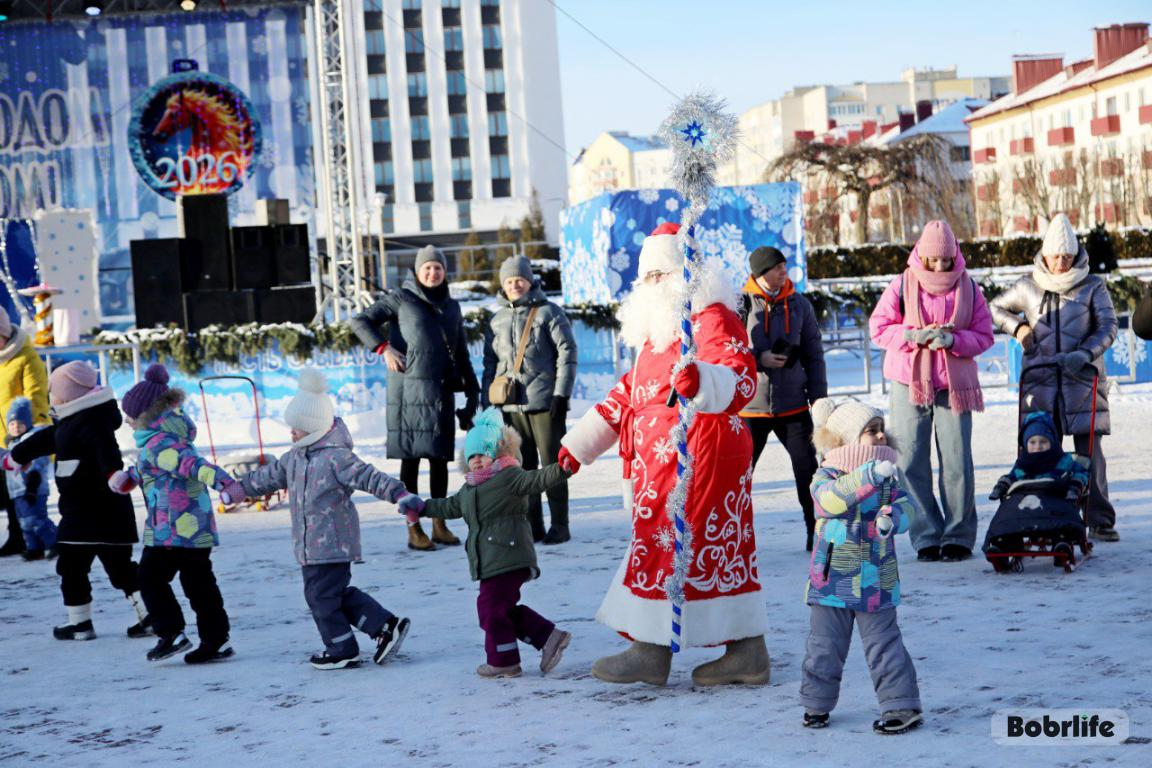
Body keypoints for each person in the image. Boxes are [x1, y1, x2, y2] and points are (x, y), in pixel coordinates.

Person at [559, 222, 770, 687]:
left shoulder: (709, 316)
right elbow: (633, 392)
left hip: (701, 452)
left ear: (686, 273)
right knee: (673, 550)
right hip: (660, 460)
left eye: (663, 274)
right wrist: (581, 443)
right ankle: (731, 651)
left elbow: (741, 374)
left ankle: (662, 651)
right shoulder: (659, 332)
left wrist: (703, 380)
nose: (653, 285)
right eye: (647, 276)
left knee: (680, 548)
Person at [229, 369, 419, 670]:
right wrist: (239, 489)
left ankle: (341, 648)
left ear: (316, 427)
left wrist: (400, 494)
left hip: (332, 541)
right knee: (333, 595)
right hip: (310, 546)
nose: (292, 433)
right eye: (292, 427)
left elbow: (368, 476)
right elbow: (267, 477)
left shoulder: (336, 457)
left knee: (320, 596)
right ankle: (384, 625)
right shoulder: (294, 458)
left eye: (299, 428)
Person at [404, 408, 574, 678]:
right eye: (472, 456)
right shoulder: (469, 489)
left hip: (509, 554)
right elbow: (448, 506)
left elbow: (536, 479)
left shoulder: (509, 477)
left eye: (483, 454)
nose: (477, 461)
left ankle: (504, 660)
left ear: (497, 454)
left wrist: (562, 469)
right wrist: (423, 507)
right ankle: (548, 638)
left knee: (490, 610)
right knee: (500, 610)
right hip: (490, 560)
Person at [869, 220, 993, 563]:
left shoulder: (968, 287)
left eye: (946, 260)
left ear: (955, 256)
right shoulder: (901, 284)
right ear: (921, 256)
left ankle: (958, 535)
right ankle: (926, 535)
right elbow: (878, 329)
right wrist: (911, 336)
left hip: (955, 386)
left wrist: (953, 340)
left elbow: (984, 335)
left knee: (956, 460)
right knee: (910, 461)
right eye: (933, 260)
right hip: (909, 382)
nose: (940, 267)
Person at [990, 213, 1119, 541]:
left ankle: (1099, 518)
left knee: (1089, 455)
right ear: (1044, 255)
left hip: (1082, 383)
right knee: (1041, 453)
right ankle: (1044, 514)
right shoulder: (1027, 286)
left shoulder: (1092, 286)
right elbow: (995, 309)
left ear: (1076, 255)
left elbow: (1109, 326)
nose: (1062, 262)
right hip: (1041, 384)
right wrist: (1018, 327)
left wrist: (1085, 353)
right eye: (1056, 255)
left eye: (1067, 256)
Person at [109, 364, 246, 664]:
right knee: (198, 584)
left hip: (175, 530)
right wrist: (130, 476)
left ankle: (172, 633)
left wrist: (227, 484)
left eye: (130, 417)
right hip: (186, 527)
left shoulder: (159, 444)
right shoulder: (162, 442)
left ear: (146, 417)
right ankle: (216, 640)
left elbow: (193, 466)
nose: (128, 423)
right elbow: (156, 467)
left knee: (149, 577)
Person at [801, 397, 922, 735]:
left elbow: (909, 507)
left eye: (882, 430)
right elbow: (830, 501)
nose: (881, 437)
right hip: (831, 582)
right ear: (845, 441)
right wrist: (868, 474)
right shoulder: (825, 476)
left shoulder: (888, 479)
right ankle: (816, 704)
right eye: (871, 431)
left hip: (875, 580)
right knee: (825, 646)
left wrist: (893, 519)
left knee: (885, 645)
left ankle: (901, 705)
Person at [6, 361, 150, 640]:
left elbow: (106, 451)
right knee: (110, 568)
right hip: (95, 515)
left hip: (89, 513)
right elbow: (44, 440)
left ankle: (85, 622)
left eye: (55, 393)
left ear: (71, 396)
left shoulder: (91, 423)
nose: (53, 399)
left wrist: (112, 474)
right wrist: (17, 456)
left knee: (77, 568)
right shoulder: (71, 424)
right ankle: (139, 614)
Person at [350, 245, 479, 551]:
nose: (433, 273)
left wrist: (472, 390)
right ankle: (413, 527)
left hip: (440, 393)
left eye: (438, 268)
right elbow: (360, 321)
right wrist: (383, 349)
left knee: (439, 461)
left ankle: (438, 524)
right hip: (408, 394)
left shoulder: (451, 307)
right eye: (427, 268)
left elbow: (460, 351)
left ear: (444, 273)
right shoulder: (400, 299)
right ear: (418, 272)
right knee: (410, 462)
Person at [482, 255, 577, 544]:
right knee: (522, 468)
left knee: (552, 466)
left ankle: (560, 525)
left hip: (546, 403)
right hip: (511, 405)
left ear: (530, 281)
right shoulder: (496, 320)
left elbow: (567, 352)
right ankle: (532, 525)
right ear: (503, 284)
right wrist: (487, 399)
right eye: (509, 281)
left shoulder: (549, 312)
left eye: (519, 280)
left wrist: (562, 393)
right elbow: (490, 362)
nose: (515, 285)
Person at [738, 245, 827, 551]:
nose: (783, 270)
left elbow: (814, 354)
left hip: (793, 404)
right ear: (762, 272)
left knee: (809, 472)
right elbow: (728, 351)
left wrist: (819, 398)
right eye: (777, 267)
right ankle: (733, 537)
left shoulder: (799, 304)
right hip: (750, 407)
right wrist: (757, 358)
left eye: (784, 266)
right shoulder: (740, 305)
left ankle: (816, 533)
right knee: (738, 476)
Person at [0, 308, 49, 558]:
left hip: (22, 435)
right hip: (1, 436)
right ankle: (17, 535)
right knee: (9, 492)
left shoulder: (26, 358)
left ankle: (42, 538)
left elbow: (36, 397)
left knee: (28, 491)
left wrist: (33, 433)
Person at [988, 411, 1089, 502]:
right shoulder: (1023, 463)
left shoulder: (1062, 460)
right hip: (1026, 509)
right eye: (1032, 442)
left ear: (1052, 442)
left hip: (1056, 506)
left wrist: (1075, 485)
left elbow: (1081, 472)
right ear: (1025, 444)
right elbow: (1011, 477)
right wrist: (1001, 486)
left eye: (1043, 441)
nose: (1038, 446)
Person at [5, 397, 55, 560]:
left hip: (34, 488)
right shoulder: (11, 445)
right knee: (24, 523)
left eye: (20, 423)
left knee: (37, 519)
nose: (16, 427)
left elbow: (40, 460)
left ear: (27, 423)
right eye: (12, 424)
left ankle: (54, 543)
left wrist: (33, 480)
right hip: (17, 491)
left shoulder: (32, 439)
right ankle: (34, 548)